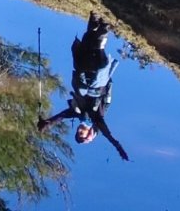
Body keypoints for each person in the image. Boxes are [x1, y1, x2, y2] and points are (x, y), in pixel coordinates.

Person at [37, 12, 129, 161]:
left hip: (81, 76)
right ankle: (104, 27)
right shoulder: (97, 118)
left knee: (84, 49)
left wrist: (47, 123)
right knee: (97, 51)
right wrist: (118, 147)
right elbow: (108, 135)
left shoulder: (76, 113)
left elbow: (62, 116)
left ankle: (95, 20)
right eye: (82, 134)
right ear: (90, 133)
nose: (80, 131)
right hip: (97, 81)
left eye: (77, 132)